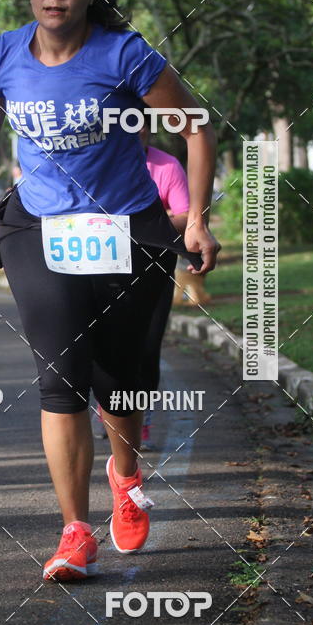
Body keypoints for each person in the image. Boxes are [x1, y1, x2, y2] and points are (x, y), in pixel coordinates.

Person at [0, 0, 220, 581]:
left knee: (121, 379)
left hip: (126, 231)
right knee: (60, 376)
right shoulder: (4, 53)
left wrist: (197, 218)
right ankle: (74, 531)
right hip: (37, 228)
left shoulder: (125, 54)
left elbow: (197, 127)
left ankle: (125, 476)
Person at [138, 124, 190, 450]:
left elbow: (185, 215)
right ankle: (109, 405)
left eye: (138, 123)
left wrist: (143, 226)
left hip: (155, 267)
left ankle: (139, 419)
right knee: (104, 346)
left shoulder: (166, 165)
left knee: (146, 347)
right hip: (103, 269)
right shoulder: (97, 160)